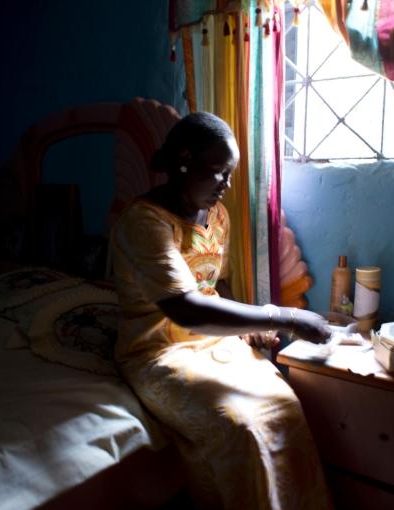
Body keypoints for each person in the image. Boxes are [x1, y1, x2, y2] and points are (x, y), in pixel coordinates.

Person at [110, 111, 333, 509]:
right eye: (217, 172)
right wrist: (287, 316)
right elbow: (186, 307)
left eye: (230, 174)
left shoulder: (217, 217)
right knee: (241, 426)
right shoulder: (144, 223)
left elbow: (212, 287)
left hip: (212, 343)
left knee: (284, 405)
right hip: (158, 352)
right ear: (183, 160)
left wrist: (246, 328)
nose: (225, 186)